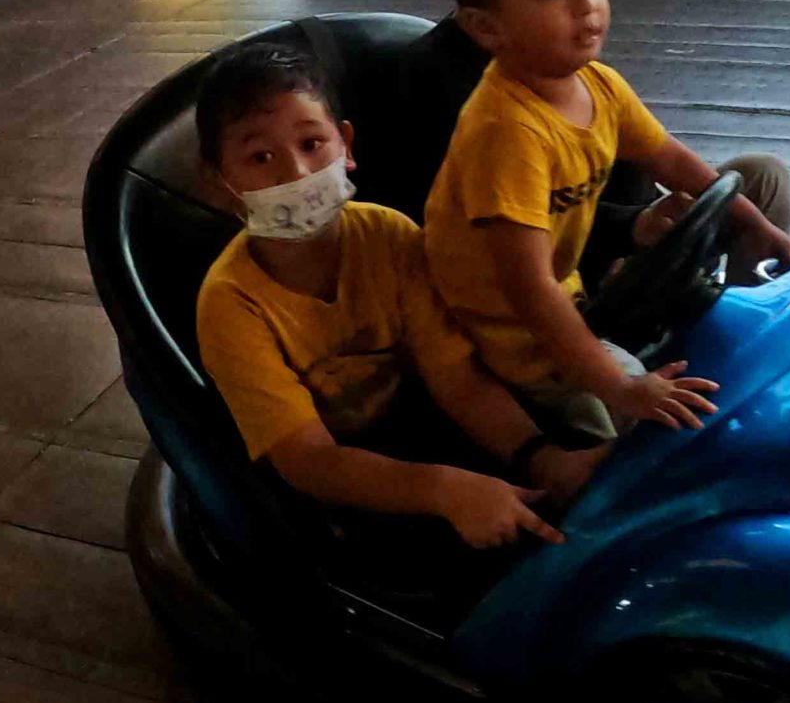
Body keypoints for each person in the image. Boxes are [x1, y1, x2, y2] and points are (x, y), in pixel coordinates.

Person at [422, 0, 790, 441]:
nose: (586, 5)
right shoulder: (505, 131)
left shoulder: (598, 85)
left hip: (575, 308)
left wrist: (753, 223)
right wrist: (620, 387)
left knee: (751, 202)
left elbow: (673, 160)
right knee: (648, 436)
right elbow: (531, 293)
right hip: (513, 350)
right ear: (486, 26)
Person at [191, 41, 604, 550]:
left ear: (346, 144)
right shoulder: (231, 305)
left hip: (424, 428)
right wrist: (445, 491)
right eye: (260, 157)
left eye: (311, 143)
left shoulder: (390, 237)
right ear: (218, 184)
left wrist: (539, 459)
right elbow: (309, 460)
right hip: (343, 488)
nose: (295, 173)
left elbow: (456, 377)